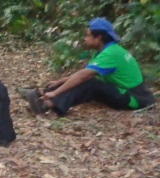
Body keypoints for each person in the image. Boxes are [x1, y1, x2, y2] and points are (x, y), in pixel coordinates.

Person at [19, 17, 155, 116]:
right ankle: (41, 95)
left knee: (90, 83)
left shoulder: (111, 53)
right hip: (123, 92)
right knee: (87, 81)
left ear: (99, 38)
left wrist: (56, 92)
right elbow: (83, 72)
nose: (85, 38)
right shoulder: (105, 51)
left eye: (88, 35)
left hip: (135, 99)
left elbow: (84, 76)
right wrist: (58, 82)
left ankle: (47, 104)